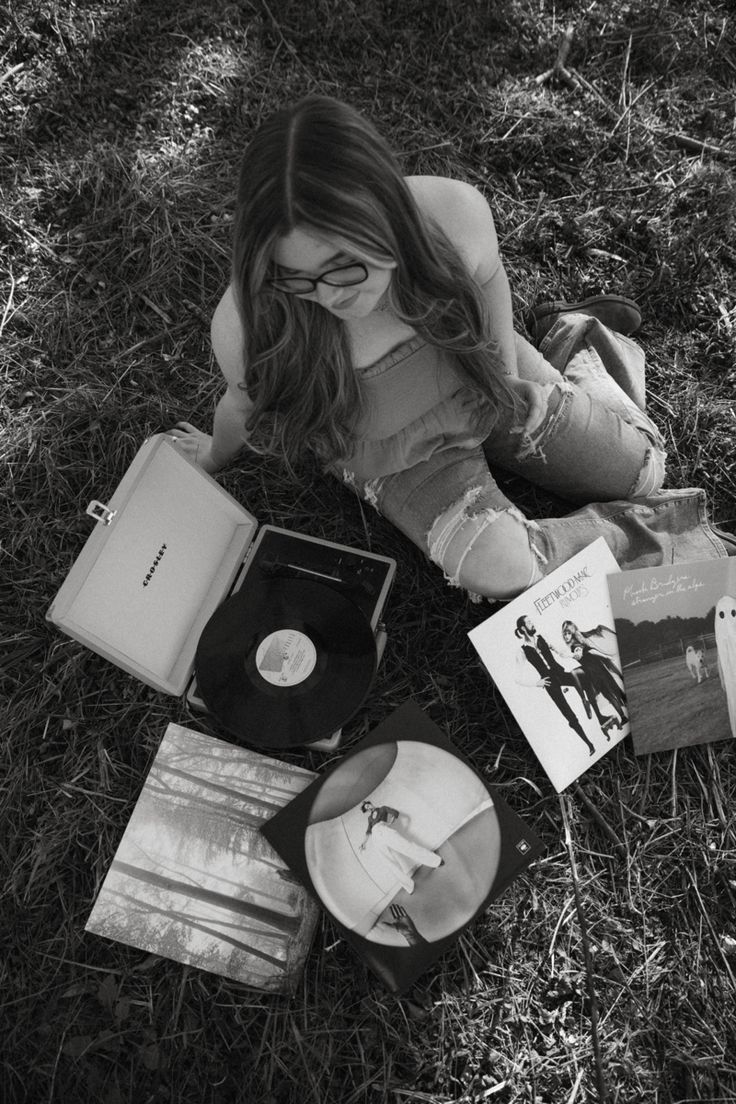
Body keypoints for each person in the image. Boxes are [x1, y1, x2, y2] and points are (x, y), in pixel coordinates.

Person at [169, 95, 733, 601]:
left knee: (645, 470)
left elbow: (488, 280)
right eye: (298, 278)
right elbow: (243, 404)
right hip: (393, 452)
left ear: (390, 215)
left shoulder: (452, 214)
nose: (329, 296)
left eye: (346, 265)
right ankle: (672, 537)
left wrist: (506, 375)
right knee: (498, 568)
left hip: (478, 379)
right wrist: (213, 457)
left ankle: (573, 338)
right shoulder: (248, 325)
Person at [514, 615, 604, 754]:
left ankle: (590, 706)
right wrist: (536, 683)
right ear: (523, 628)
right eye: (529, 622)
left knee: (584, 679)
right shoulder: (522, 650)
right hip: (549, 682)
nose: (532, 623)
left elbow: (560, 652)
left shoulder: (542, 637)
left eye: (531, 621)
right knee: (568, 714)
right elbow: (517, 677)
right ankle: (589, 745)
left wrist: (573, 655)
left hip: (559, 673)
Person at [561, 620, 628, 730]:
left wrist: (605, 656)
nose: (566, 636)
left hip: (595, 671)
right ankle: (623, 717)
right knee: (608, 694)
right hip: (596, 670)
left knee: (608, 693)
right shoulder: (578, 642)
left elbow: (588, 652)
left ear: (571, 633)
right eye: (565, 634)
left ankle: (623, 716)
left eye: (568, 633)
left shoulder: (575, 645)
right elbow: (588, 651)